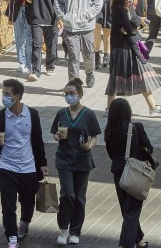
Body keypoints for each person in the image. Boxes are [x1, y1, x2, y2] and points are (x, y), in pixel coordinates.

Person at [0, 79, 49, 247]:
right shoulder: (0, 116)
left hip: (28, 167)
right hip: (6, 166)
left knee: (28, 202)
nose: (4, 97)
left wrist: (42, 163)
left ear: (17, 96)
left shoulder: (32, 115)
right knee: (8, 205)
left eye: (7, 94)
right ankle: (12, 236)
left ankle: (24, 225)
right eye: (3, 93)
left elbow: (38, 141)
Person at [105, 0, 161, 117]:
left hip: (131, 45)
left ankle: (153, 107)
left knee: (140, 75)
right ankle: (110, 108)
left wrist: (138, 22)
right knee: (116, 78)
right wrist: (137, 22)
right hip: (122, 48)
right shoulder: (118, 8)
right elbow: (127, 28)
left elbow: (129, 27)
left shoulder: (128, 7)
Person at [49, 78, 101, 245]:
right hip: (64, 159)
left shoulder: (89, 114)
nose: (69, 97)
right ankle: (63, 228)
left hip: (82, 160)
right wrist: (58, 135)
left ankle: (75, 231)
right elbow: (54, 133)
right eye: (66, 94)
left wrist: (88, 147)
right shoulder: (61, 114)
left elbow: (95, 137)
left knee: (79, 197)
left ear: (79, 94)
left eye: (72, 93)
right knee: (67, 194)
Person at [105, 97, 158, 248]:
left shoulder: (109, 131)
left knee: (127, 209)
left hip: (118, 173)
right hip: (136, 174)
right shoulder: (136, 128)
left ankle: (139, 240)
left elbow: (111, 153)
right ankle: (125, 244)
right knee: (132, 210)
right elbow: (149, 148)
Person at [54, 0, 103, 88]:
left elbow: (98, 1)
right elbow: (57, 1)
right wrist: (62, 16)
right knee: (73, 56)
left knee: (88, 55)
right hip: (70, 26)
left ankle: (89, 72)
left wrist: (87, 15)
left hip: (86, 26)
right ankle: (74, 84)